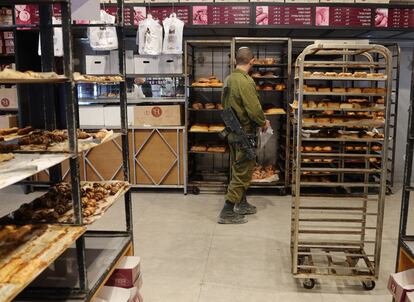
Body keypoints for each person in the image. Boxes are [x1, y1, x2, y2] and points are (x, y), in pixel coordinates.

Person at [218, 47, 270, 224]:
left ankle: (242, 203)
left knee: (238, 168)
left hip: (232, 132)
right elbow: (254, 109)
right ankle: (227, 211)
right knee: (243, 172)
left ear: (234, 61)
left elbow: (224, 105)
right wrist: (264, 122)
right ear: (252, 61)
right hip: (244, 133)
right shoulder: (246, 81)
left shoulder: (228, 79)